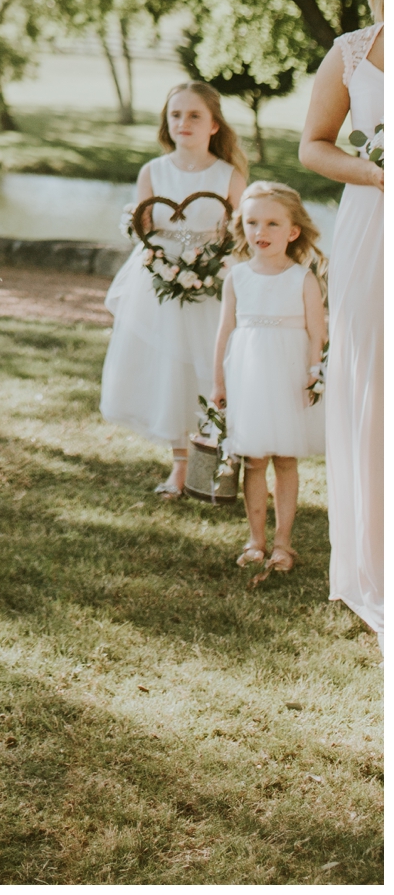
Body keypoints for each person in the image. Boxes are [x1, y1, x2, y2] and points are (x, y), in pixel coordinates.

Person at [100, 80, 248, 495]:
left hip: (213, 282)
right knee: (171, 370)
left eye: (194, 115)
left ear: (214, 125)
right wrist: (137, 225)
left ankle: (224, 461)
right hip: (161, 282)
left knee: (214, 367)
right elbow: (145, 227)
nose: (184, 122)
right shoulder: (153, 171)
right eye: (176, 115)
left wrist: (220, 250)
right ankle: (179, 466)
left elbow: (242, 232)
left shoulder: (228, 176)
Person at [300, 0, 383, 647]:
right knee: (375, 383)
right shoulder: (354, 51)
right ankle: (375, 559)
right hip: (372, 230)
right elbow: (314, 146)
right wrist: (381, 174)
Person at [211, 181, 326, 574]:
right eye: (252, 222)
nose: (261, 232)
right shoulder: (237, 277)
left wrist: (314, 373)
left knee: (286, 459)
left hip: (290, 375)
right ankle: (255, 539)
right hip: (249, 375)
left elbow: (317, 332)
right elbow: (224, 332)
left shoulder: (303, 278)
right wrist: (218, 382)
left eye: (273, 224)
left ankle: (283, 542)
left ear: (293, 231)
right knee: (254, 460)